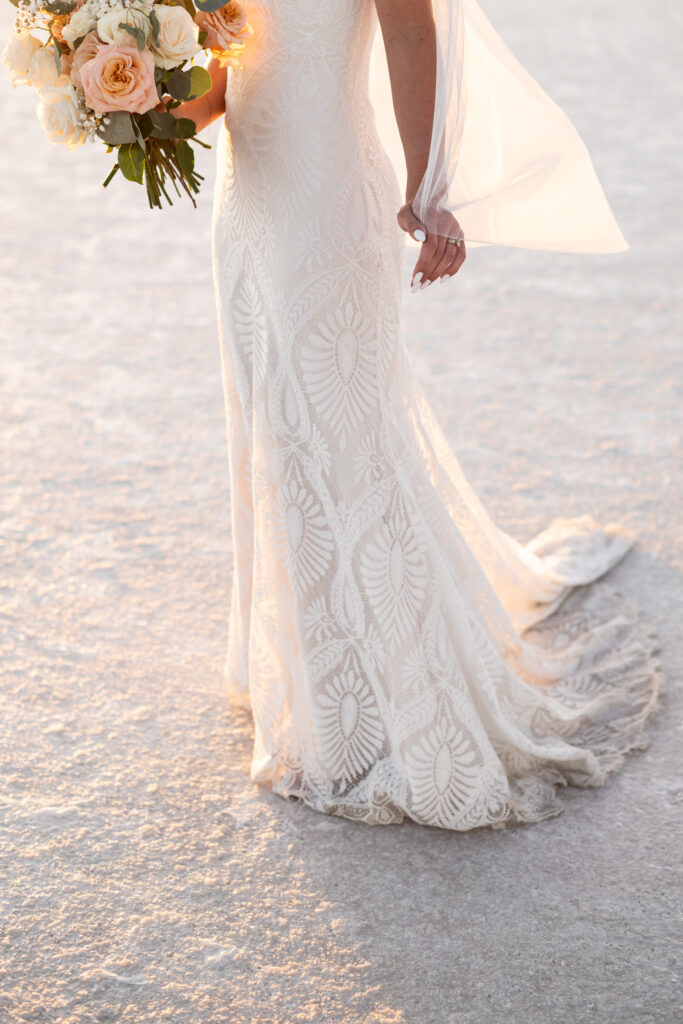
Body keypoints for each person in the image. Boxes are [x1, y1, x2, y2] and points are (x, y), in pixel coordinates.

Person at [168, 0, 663, 830]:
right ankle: (299, 675)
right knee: (272, 424)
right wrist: (125, 87)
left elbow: (408, 27)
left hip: (327, 198)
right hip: (247, 197)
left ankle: (362, 716)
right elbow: (214, 79)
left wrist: (425, 189)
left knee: (335, 437)